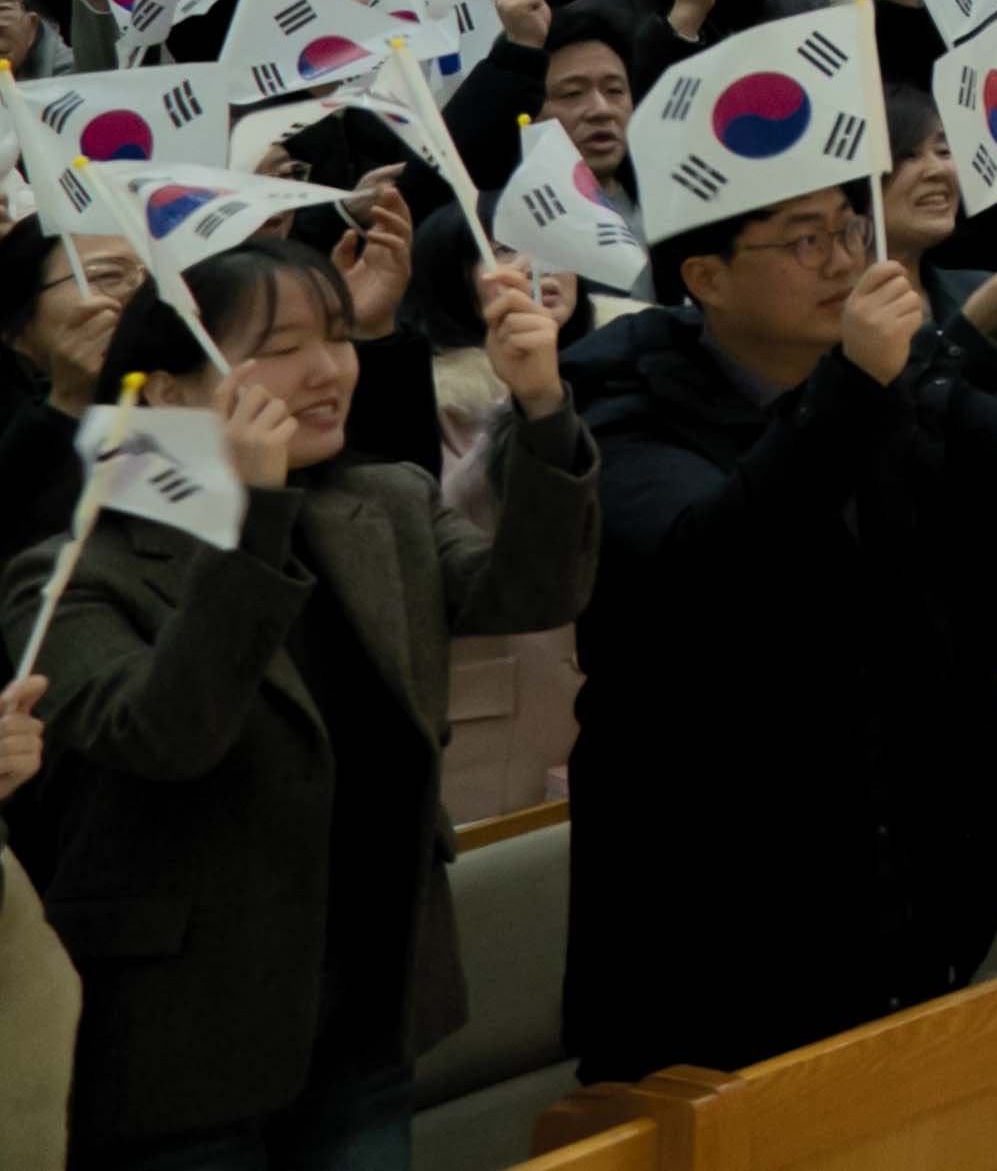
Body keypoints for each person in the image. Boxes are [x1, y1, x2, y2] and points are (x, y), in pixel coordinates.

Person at [6, 231, 595, 1171]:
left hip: (365, 996)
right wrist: (250, 521)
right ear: (165, 391)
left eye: (337, 336)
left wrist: (541, 404)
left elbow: (528, 594)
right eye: (278, 349)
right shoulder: (72, 572)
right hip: (183, 1038)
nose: (327, 371)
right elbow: (164, 736)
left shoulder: (384, 499)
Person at [563, 171, 997, 1077]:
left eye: (847, 230)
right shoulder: (620, 408)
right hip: (716, 940)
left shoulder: (897, 382)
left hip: (916, 898)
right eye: (803, 240)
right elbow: (712, 571)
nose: (843, 262)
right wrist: (852, 388)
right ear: (706, 277)